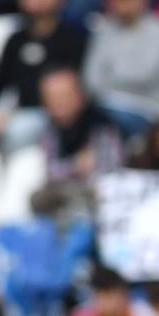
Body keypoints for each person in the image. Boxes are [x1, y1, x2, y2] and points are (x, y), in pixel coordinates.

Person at [0, 0, 87, 152]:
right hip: (13, 112)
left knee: (17, 130)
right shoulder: (15, 40)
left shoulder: (73, 40)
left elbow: (77, 90)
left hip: (53, 115)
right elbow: (1, 84)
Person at [81, 0, 159, 118]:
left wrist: (113, 79)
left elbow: (145, 77)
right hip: (106, 105)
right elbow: (91, 79)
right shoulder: (105, 29)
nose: (122, 2)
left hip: (147, 108)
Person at [33, 66, 123, 219]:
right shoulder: (49, 130)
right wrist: (75, 164)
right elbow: (50, 172)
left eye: (64, 95)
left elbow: (112, 169)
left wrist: (80, 170)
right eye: (52, 97)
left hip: (96, 194)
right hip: (63, 193)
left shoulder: (101, 125)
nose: (58, 102)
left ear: (80, 96)